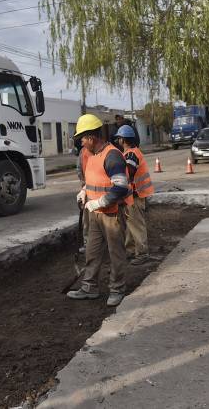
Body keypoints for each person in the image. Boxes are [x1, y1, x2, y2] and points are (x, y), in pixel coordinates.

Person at [68, 114, 133, 307]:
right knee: (92, 251)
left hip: (112, 214)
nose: (81, 142)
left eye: (82, 139)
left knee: (116, 253)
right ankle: (89, 287)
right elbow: (95, 181)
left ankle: (117, 289)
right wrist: (84, 192)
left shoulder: (112, 156)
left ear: (91, 137)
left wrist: (98, 203)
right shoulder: (93, 156)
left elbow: (120, 187)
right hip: (96, 214)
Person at [114, 125, 155, 266]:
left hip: (136, 195)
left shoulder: (131, 154)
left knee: (136, 225)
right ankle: (130, 250)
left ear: (123, 139)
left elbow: (128, 174)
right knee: (131, 225)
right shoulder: (132, 153)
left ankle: (142, 253)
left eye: (118, 138)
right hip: (133, 196)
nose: (117, 141)